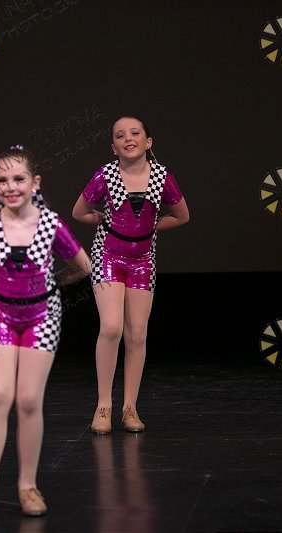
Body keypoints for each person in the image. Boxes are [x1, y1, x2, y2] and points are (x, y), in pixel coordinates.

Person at [0, 145, 91, 517]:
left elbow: (84, 266)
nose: (10, 186)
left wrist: (49, 284)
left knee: (28, 399)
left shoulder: (50, 224)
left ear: (35, 183)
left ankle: (28, 486)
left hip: (43, 316)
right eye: (2, 180)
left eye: (18, 179)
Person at [72, 116, 189, 434]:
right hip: (108, 256)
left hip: (142, 261)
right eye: (120, 135)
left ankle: (130, 408)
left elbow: (181, 215)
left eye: (135, 133)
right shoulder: (105, 175)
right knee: (111, 327)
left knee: (137, 334)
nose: (128, 138)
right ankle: (104, 405)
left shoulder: (162, 177)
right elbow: (79, 211)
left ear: (148, 142)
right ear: (113, 147)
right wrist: (103, 219)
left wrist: (150, 228)